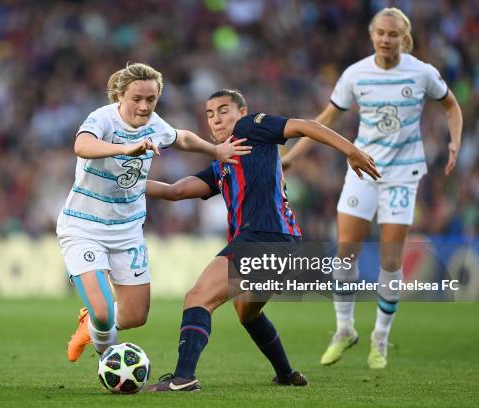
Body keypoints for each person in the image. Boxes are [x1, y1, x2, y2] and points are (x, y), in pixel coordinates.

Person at [144, 89, 380, 391]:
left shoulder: (250, 127)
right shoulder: (223, 164)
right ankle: (286, 374)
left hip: (262, 238)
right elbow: (176, 191)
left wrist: (351, 150)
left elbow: (305, 126)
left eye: (224, 110)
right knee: (247, 311)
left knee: (197, 298)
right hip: (286, 244)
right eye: (210, 114)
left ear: (242, 112)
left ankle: (183, 378)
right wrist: (125, 181)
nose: (216, 119)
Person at [281, 7, 463, 369]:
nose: (385, 39)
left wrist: (455, 140)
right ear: (371, 34)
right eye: (380, 32)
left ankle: (380, 336)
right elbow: (326, 120)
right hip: (362, 169)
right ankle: (345, 329)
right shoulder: (355, 74)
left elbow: (451, 106)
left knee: (390, 260)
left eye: (393, 34)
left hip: (402, 174)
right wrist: (293, 156)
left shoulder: (422, 72)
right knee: (345, 252)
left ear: (404, 38)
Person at [58, 63, 251, 362]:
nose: (144, 106)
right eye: (137, 98)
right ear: (120, 96)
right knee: (103, 310)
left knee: (135, 315)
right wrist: (125, 149)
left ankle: (92, 326)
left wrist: (215, 151)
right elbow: (81, 145)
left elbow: (181, 137)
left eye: (151, 99)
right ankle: (107, 360)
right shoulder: (103, 119)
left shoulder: (155, 125)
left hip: (128, 230)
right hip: (83, 227)